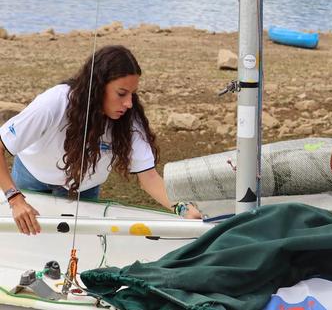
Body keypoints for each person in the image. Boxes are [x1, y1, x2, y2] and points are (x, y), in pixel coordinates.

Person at [0, 45, 201, 235]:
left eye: (132, 94)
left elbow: (149, 178)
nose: (129, 103)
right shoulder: (54, 103)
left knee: (77, 245)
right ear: (97, 86)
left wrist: (183, 209)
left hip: (83, 189)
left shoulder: (129, 120)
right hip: (32, 178)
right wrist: (15, 198)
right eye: (121, 93)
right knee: (27, 237)